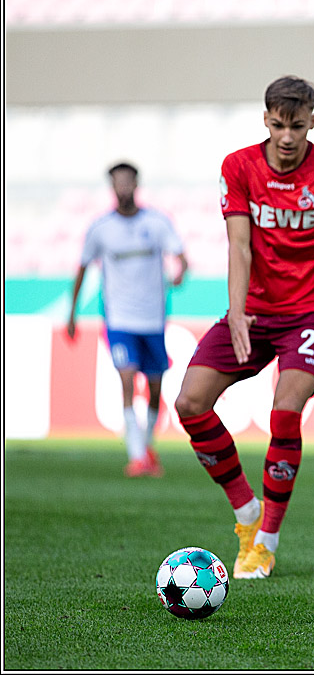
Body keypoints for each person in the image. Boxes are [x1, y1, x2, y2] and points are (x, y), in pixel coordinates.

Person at [174, 76, 314, 580]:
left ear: (312, 120)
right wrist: (235, 310)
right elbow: (240, 246)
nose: (287, 137)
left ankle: (265, 541)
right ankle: (245, 511)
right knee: (189, 404)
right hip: (252, 310)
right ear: (265, 120)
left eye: (297, 125)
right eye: (277, 125)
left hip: (311, 313)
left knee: (285, 411)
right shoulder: (239, 166)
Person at [67, 162, 188, 478]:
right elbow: (81, 269)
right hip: (119, 318)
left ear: (136, 185)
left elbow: (181, 257)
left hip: (153, 319)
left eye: (127, 182)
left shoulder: (157, 223)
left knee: (155, 386)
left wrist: (179, 273)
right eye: (117, 183)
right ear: (112, 187)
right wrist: (72, 314)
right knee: (126, 378)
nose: (123, 189)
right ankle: (137, 456)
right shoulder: (100, 228)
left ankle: (147, 447)